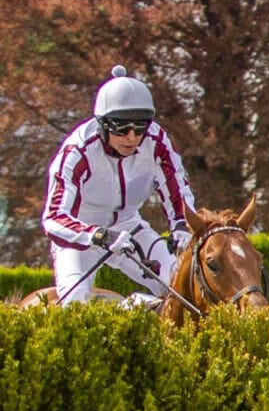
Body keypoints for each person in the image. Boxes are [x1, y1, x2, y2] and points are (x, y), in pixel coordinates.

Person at [42, 66, 195, 306]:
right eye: (121, 128)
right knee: (74, 302)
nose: (132, 138)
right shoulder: (78, 151)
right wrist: (99, 235)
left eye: (140, 127)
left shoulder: (157, 142)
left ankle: (142, 312)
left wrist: (181, 226)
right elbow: (53, 217)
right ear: (102, 124)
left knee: (182, 283)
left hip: (129, 226)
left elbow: (177, 191)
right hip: (81, 235)